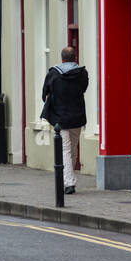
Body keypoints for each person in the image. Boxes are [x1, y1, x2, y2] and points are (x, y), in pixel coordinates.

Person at [41, 46, 88, 195]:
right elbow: (84, 88)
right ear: (75, 58)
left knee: (66, 150)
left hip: (61, 118)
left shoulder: (53, 74)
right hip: (78, 117)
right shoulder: (82, 73)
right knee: (73, 150)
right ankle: (70, 178)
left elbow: (44, 94)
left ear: (62, 59)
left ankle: (69, 182)